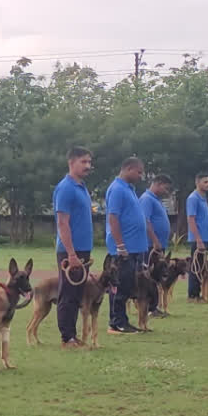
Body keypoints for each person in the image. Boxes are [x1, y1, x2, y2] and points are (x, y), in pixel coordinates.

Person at [54, 147, 95, 349]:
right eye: (83, 162)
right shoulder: (66, 188)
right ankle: (66, 337)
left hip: (84, 250)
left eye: (89, 162)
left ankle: (73, 335)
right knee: (68, 294)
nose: (87, 166)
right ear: (71, 163)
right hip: (70, 251)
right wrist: (70, 253)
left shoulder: (83, 187)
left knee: (78, 294)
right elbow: (62, 223)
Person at [105, 157, 149, 334]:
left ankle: (123, 320)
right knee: (120, 286)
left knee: (129, 285)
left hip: (136, 248)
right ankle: (116, 323)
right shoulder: (117, 189)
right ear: (128, 169)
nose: (141, 176)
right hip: (124, 249)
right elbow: (113, 217)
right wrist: (120, 245)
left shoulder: (129, 189)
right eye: (138, 172)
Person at [139, 173, 174, 317]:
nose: (167, 192)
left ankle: (153, 307)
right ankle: (149, 308)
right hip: (150, 246)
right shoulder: (147, 199)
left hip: (158, 246)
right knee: (150, 277)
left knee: (157, 278)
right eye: (165, 188)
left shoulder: (156, 200)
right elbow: (145, 221)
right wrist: (154, 240)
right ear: (158, 184)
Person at [187, 173, 208, 303]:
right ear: (197, 183)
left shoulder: (203, 198)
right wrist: (198, 239)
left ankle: (201, 295)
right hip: (198, 240)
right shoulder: (193, 198)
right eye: (205, 182)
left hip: (205, 238)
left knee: (203, 268)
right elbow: (191, 219)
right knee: (196, 267)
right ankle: (193, 295)